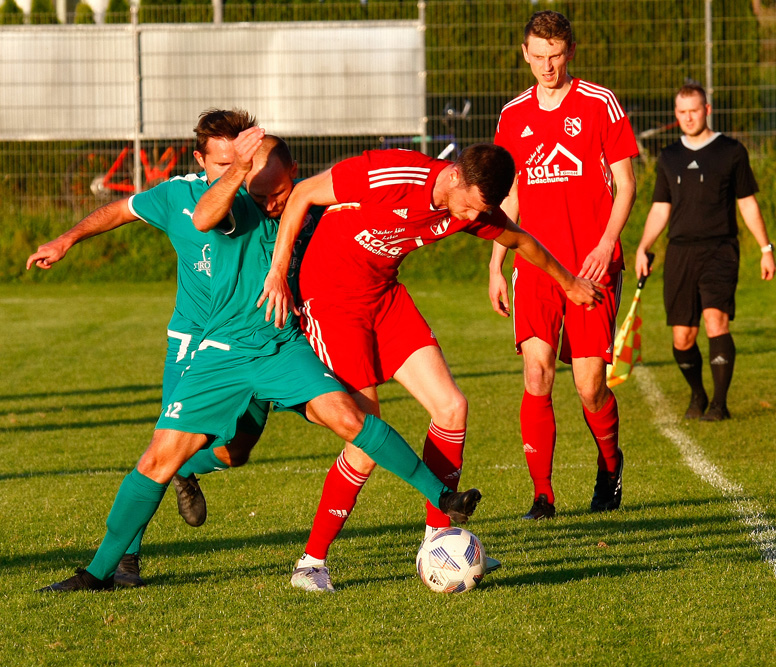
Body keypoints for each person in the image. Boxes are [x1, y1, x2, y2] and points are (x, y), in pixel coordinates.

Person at [38, 132, 481, 593]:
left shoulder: (313, 207)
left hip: (282, 348)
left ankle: (443, 499)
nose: (270, 204)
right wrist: (239, 174)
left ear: (294, 172)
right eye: (260, 191)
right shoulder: (233, 203)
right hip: (223, 352)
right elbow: (205, 215)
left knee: (343, 421)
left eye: (278, 192)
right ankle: (97, 572)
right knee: (159, 460)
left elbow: (361, 225)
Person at [258, 143, 602, 591]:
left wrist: (569, 282)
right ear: (456, 176)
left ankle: (439, 538)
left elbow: (519, 239)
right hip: (330, 296)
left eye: (481, 212)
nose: (470, 218)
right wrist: (278, 270)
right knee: (366, 436)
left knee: (452, 407)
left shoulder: (471, 207)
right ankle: (311, 563)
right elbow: (302, 193)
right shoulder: (390, 173)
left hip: (383, 295)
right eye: (471, 207)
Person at [25, 109, 273, 587]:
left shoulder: (265, 197)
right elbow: (122, 209)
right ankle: (123, 562)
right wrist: (67, 238)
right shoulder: (177, 196)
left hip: (253, 343)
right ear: (199, 159)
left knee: (237, 450)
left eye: (239, 159)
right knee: (160, 452)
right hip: (191, 344)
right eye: (221, 164)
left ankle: (186, 469)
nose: (233, 171)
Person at [489, 10, 637, 520]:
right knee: (537, 375)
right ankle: (543, 495)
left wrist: (605, 244)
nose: (547, 66)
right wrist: (495, 261)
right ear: (525, 53)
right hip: (534, 266)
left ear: (569, 52)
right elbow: (507, 198)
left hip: (591, 267)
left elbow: (627, 184)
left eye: (556, 56)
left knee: (591, 386)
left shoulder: (600, 103)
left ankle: (611, 465)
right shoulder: (512, 115)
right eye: (538, 56)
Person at [635, 82, 775, 423]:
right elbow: (660, 208)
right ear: (675, 115)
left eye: (694, 110)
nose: (688, 117)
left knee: (716, 321)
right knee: (683, 336)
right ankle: (698, 394)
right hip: (681, 253)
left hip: (720, 249)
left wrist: (765, 248)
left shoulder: (731, 151)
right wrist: (643, 247)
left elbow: (747, 204)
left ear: (707, 110)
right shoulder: (669, 157)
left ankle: (720, 404)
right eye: (681, 112)